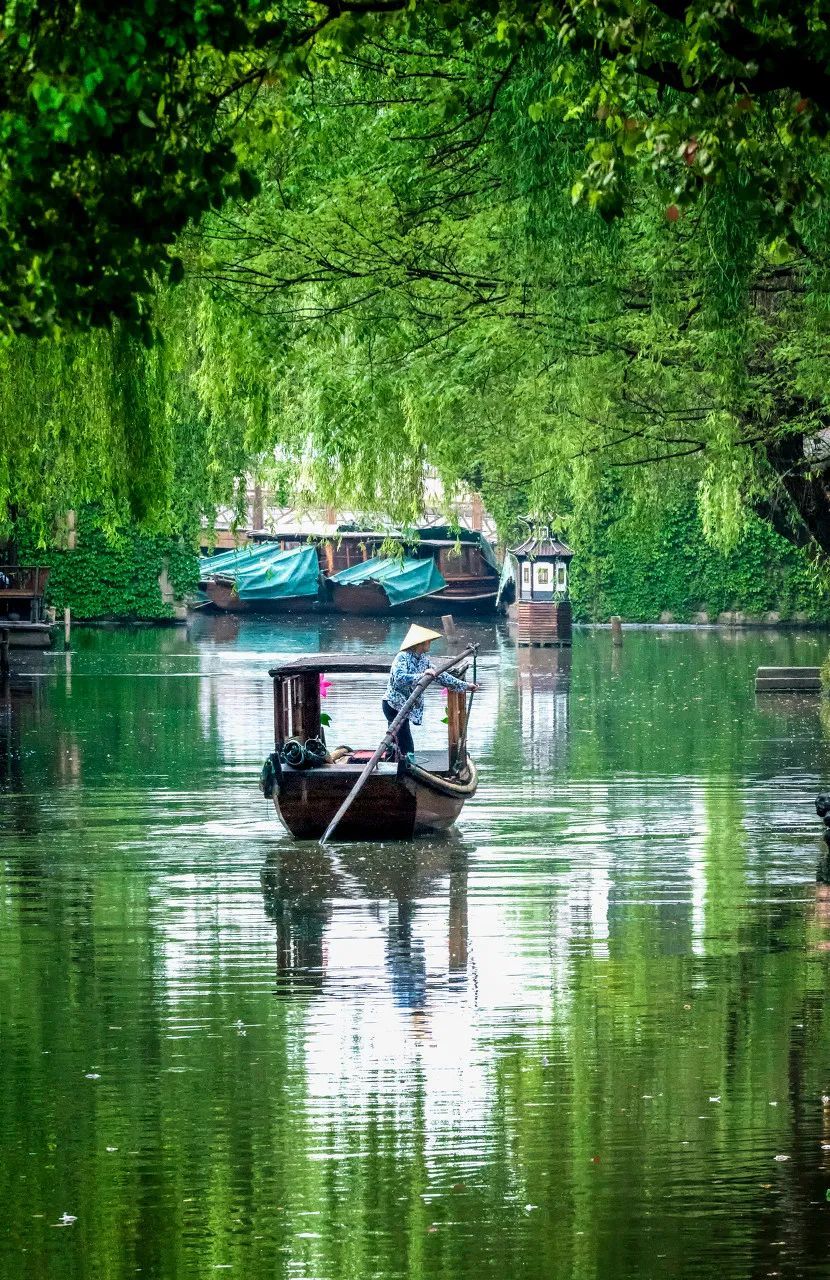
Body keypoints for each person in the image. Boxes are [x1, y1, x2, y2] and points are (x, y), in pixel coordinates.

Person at [382, 624, 479, 759]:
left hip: (406, 705)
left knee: (396, 740)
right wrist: (422, 676)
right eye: (428, 641)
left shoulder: (423, 660)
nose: (430, 644)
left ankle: (393, 762)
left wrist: (466, 686)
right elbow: (399, 678)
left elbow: (442, 676)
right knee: (405, 741)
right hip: (393, 704)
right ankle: (408, 765)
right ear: (420, 643)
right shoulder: (402, 657)